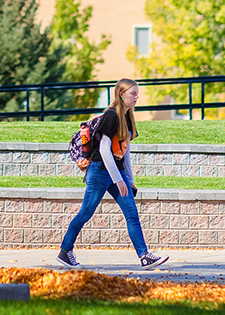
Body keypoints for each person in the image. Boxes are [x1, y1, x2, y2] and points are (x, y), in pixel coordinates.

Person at [56, 78, 169, 270]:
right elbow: (104, 149)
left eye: (137, 93)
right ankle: (65, 251)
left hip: (117, 171)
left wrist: (129, 180)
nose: (137, 97)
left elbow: (125, 151)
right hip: (99, 171)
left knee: (132, 214)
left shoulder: (128, 117)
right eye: (133, 93)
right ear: (121, 94)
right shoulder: (111, 116)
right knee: (85, 213)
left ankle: (144, 256)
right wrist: (118, 180)